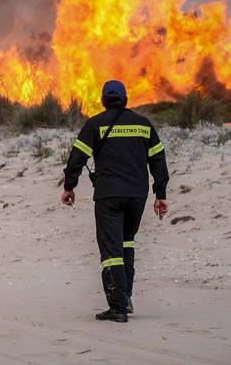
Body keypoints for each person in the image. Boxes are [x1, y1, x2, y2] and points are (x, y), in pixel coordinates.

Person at [61, 80, 169, 323]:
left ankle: (118, 307)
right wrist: (160, 194)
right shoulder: (144, 124)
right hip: (137, 196)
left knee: (111, 252)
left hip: (109, 195)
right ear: (125, 98)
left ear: (103, 101)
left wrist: (69, 187)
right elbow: (158, 160)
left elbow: (77, 157)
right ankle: (126, 297)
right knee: (127, 243)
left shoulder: (95, 124)